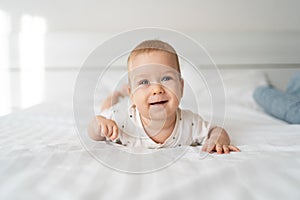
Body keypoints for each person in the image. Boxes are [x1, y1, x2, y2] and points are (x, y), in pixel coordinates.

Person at [88, 40, 240, 154]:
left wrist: (216, 140)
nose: (157, 89)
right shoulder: (120, 120)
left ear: (181, 87)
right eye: (144, 82)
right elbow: (94, 131)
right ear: (132, 95)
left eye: (166, 78)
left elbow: (216, 130)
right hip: (118, 108)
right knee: (106, 107)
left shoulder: (190, 123)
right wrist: (99, 125)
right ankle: (117, 95)